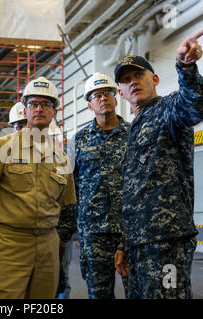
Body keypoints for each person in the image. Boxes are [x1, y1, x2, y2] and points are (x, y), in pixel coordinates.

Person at [115, 29, 203, 299]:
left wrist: (186, 66)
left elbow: (198, 104)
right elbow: (133, 194)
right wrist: (125, 243)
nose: (133, 82)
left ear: (155, 79)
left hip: (166, 240)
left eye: (138, 75)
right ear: (121, 93)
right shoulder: (132, 130)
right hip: (138, 244)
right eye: (126, 80)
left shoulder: (169, 110)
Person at [0, 76, 77, 299]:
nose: (39, 108)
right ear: (25, 110)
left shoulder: (61, 158)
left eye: (46, 104)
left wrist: (56, 240)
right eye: (33, 103)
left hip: (48, 245)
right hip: (11, 242)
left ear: (54, 113)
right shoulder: (4, 147)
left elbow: (66, 205)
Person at [70, 72, 129, 299]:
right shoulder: (79, 140)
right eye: (96, 95)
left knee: (137, 291)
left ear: (116, 98)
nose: (103, 98)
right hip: (93, 234)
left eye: (107, 93)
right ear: (89, 105)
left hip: (130, 230)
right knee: (99, 295)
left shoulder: (133, 134)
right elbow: (70, 186)